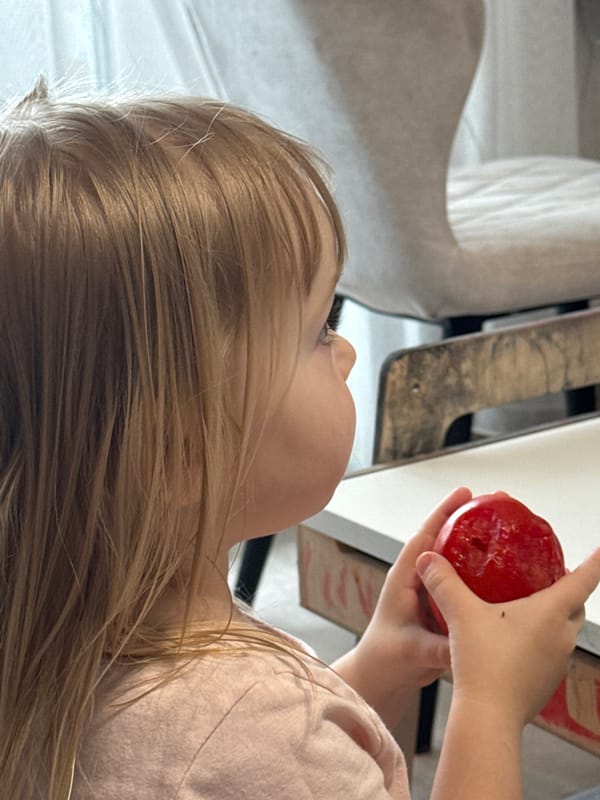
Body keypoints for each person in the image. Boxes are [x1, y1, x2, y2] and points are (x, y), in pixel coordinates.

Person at [1, 79, 599, 800]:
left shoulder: (71, 637)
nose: (345, 353)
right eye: (319, 331)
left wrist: (372, 668)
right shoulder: (253, 728)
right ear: (183, 451)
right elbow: (258, 752)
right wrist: (492, 711)